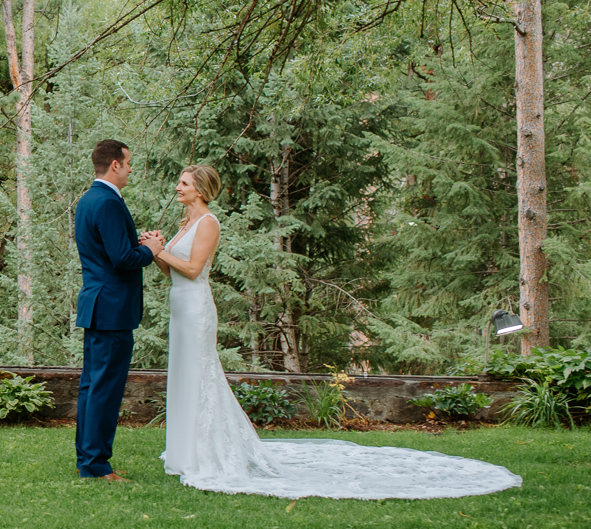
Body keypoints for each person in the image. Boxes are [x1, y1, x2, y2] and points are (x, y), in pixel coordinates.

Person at [153, 163, 521, 499]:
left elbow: (193, 268)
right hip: (179, 307)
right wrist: (155, 251)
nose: (177, 187)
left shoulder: (208, 223)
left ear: (200, 188)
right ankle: (185, 452)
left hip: (197, 308)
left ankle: (205, 453)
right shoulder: (184, 224)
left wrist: (159, 249)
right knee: (183, 376)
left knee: (200, 376)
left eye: (183, 183)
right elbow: (171, 271)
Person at [73, 140, 164, 480]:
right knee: (105, 388)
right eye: (127, 163)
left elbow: (109, 250)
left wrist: (137, 244)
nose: (129, 169)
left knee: (93, 386)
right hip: (111, 308)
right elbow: (122, 260)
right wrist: (151, 250)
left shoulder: (88, 200)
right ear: (114, 165)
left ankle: (89, 459)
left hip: (98, 304)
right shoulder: (109, 202)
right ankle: (95, 465)